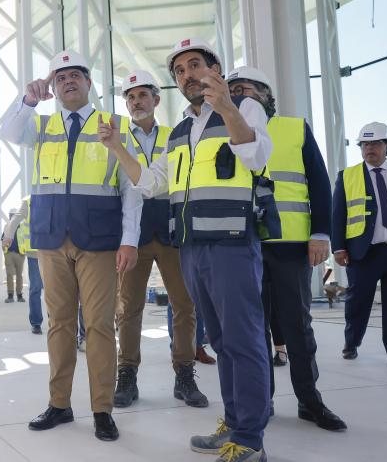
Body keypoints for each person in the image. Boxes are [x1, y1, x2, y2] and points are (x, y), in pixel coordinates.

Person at [100, 37, 277, 461]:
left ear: (214, 69)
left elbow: (255, 155)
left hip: (232, 243)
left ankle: (250, 437)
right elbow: (149, 182)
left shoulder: (243, 107)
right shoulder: (181, 130)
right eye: (179, 71)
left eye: (194, 65)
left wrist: (228, 106)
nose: (187, 75)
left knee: (244, 339)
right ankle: (234, 423)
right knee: (219, 339)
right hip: (193, 247)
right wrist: (118, 147)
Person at [1, 49, 142, 442]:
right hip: (50, 239)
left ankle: (101, 409)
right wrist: (28, 100)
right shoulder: (40, 125)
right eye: (60, 77)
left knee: (98, 326)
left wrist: (129, 240)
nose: (68, 82)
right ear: (54, 87)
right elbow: (8, 133)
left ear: (89, 83)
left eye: (75, 75)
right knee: (59, 325)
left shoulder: (112, 124)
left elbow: (131, 189)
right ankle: (60, 404)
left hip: (98, 241)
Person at [227, 66, 346, 431]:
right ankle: (261, 402)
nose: (240, 95)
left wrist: (322, 234)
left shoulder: (294, 128)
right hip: (243, 243)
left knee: (297, 327)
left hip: (291, 245)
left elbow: (318, 181)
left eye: (247, 89)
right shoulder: (221, 129)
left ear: (265, 94)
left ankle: (310, 401)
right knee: (253, 330)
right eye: (233, 90)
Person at [110, 69, 208, 410]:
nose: (137, 102)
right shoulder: (116, 138)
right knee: (129, 309)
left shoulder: (176, 133)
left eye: (142, 96)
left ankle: (184, 374)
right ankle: (127, 375)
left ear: (156, 99)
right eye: (131, 97)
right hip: (133, 235)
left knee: (185, 306)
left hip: (172, 232)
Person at [332, 121, 387, 364]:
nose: (370, 148)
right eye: (365, 144)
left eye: (375, 143)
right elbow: (337, 215)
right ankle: (352, 341)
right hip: (363, 252)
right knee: (358, 303)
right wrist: (338, 247)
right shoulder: (347, 177)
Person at [4, 196, 44, 334]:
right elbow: (15, 220)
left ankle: (55, 321)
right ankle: (36, 323)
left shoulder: (56, 193)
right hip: (34, 254)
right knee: (35, 288)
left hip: (53, 252)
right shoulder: (29, 201)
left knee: (55, 290)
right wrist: (8, 235)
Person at [1, 208, 26, 303]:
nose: (11, 216)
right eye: (10, 215)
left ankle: (19, 295)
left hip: (20, 254)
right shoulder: (7, 226)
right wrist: (4, 249)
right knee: (9, 274)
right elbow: (3, 239)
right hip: (9, 253)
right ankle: (10, 295)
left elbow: (26, 239)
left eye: (13, 215)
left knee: (19, 275)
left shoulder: (23, 227)